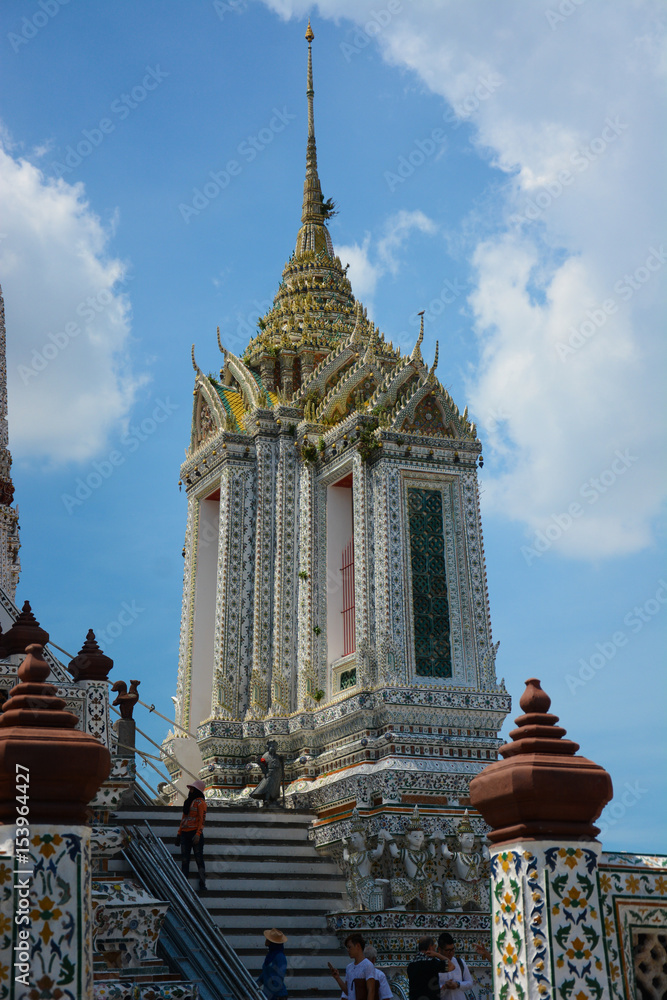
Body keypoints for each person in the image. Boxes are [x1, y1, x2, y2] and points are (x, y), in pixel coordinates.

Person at [175, 778, 207, 892]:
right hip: (185, 834)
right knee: (185, 860)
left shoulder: (201, 803)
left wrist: (198, 834)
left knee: (199, 860)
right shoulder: (187, 802)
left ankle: (202, 884)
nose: (190, 790)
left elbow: (202, 820)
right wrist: (179, 833)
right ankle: (184, 884)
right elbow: (183, 819)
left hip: (195, 834)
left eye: (193, 789)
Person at [327, 933, 377, 999]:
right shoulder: (349, 967)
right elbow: (348, 991)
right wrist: (337, 978)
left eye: (349, 947)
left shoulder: (367, 965)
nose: (348, 950)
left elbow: (371, 990)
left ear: (358, 946)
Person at [433, 934, 473, 999]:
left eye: (452, 949)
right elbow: (431, 991)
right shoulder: (435, 965)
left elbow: (470, 983)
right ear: (439, 949)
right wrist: (444, 987)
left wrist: (458, 984)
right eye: (448, 950)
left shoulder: (460, 963)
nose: (451, 952)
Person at [259, 928, 288, 999]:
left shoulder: (280, 957)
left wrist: (270, 994)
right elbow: (264, 975)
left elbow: (279, 978)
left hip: (277, 996)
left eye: (268, 939)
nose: (266, 941)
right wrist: (255, 985)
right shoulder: (270, 956)